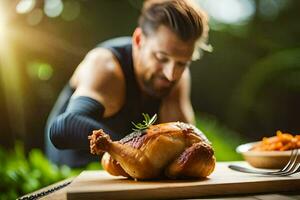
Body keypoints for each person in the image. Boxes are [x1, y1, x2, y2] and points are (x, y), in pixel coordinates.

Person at [45, 0, 210, 167]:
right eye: (161, 58)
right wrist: (136, 153)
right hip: (71, 172)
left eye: (182, 63)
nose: (171, 75)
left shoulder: (177, 79)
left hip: (127, 175)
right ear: (139, 40)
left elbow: (185, 148)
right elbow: (64, 126)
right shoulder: (105, 66)